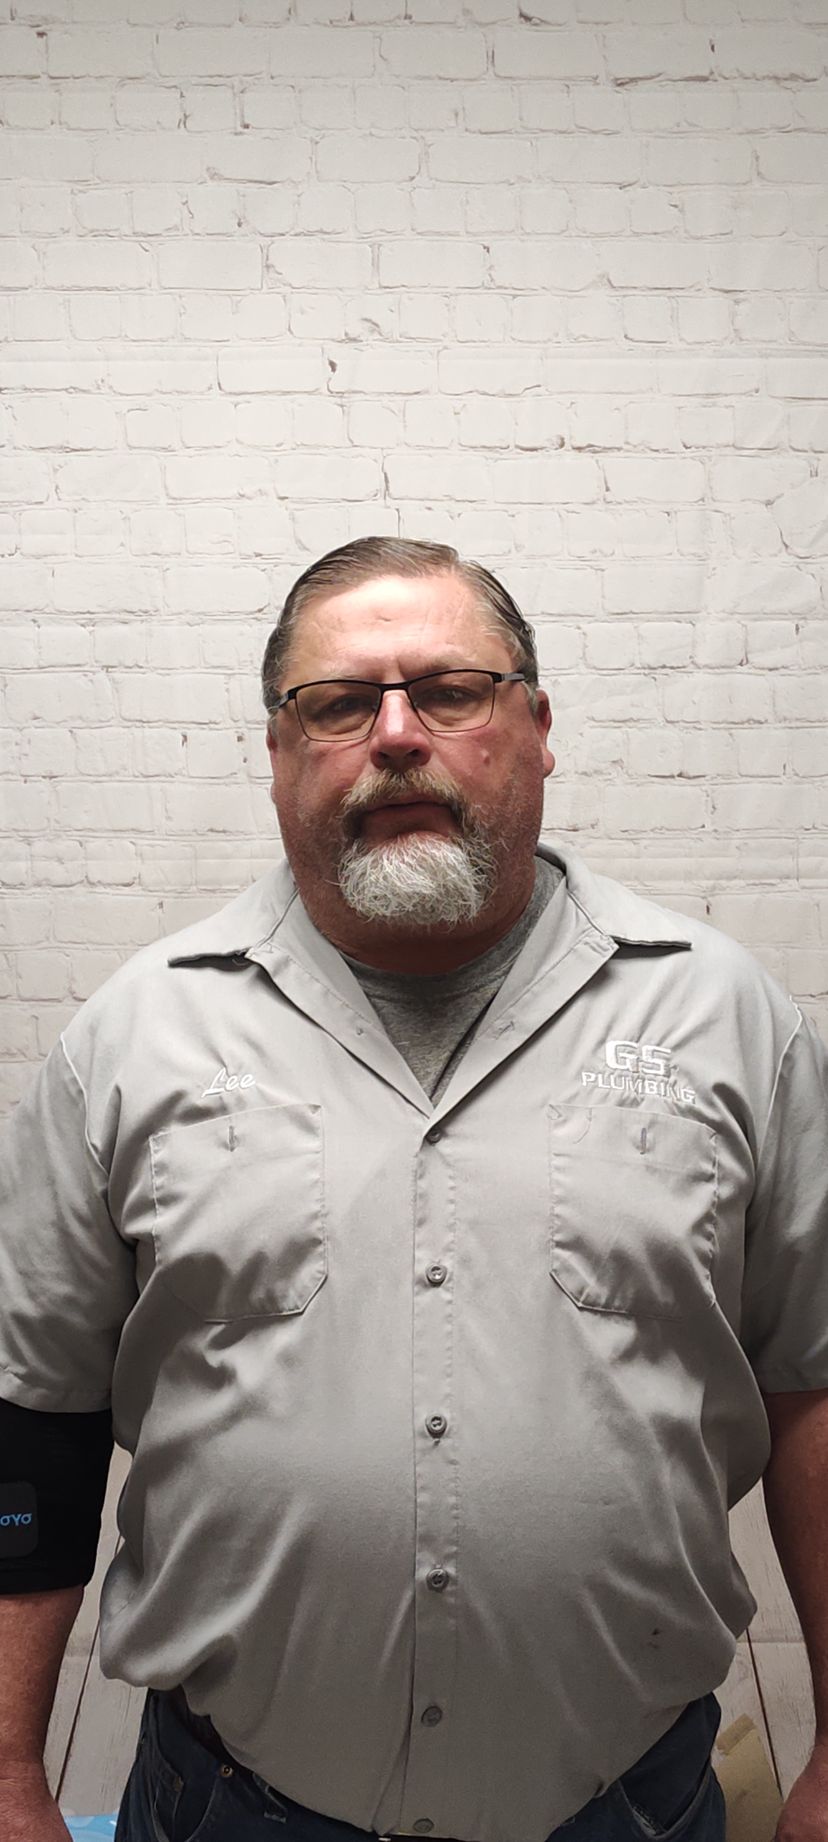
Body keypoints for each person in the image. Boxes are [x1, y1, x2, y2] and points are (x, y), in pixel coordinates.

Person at [0, 536, 826, 1842]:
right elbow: (32, 1425)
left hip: (623, 1807)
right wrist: (7, 1779)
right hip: (233, 1806)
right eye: (336, 703)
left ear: (537, 727)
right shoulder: (130, 1041)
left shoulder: (726, 1022)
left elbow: (810, 1384)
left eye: (447, 689)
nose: (394, 734)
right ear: (279, 755)